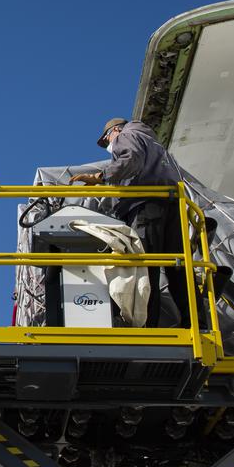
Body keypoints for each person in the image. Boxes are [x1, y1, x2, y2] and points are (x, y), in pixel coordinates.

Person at [70, 117, 191, 328]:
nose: (109, 144)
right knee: (178, 267)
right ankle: (196, 322)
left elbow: (130, 159)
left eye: (107, 139)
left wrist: (101, 176)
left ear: (115, 130)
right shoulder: (155, 145)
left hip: (146, 208)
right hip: (173, 207)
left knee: (145, 268)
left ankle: (148, 326)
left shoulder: (126, 136)